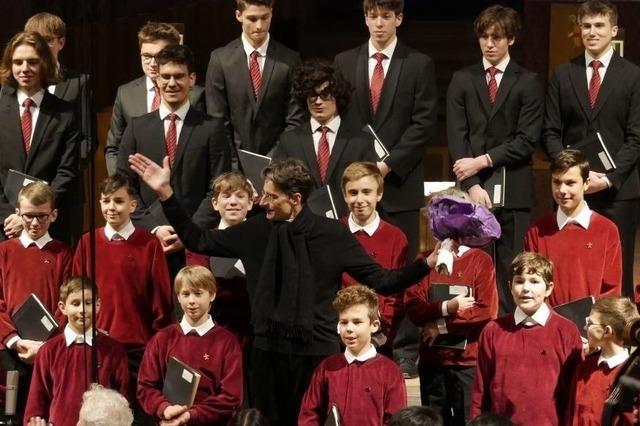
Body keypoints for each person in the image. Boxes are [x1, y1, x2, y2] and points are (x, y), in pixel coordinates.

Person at [128, 154, 435, 426]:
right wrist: (166, 193)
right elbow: (198, 240)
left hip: (317, 356)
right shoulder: (258, 230)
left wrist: (427, 263)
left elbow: (383, 281)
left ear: (296, 198)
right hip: (266, 356)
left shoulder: (332, 235)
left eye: (272, 197)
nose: (263, 202)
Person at [334, 0, 438, 378]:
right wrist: (363, 172)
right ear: (364, 17)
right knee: (354, 267)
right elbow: (341, 120)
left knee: (404, 270)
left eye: (386, 16)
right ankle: (353, 339)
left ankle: (404, 348)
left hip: (399, 182)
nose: (379, 23)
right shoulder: (345, 61)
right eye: (372, 16)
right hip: (359, 183)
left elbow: (424, 123)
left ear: (399, 18)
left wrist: (386, 165)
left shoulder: (418, 63)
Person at [446, 5, 543, 314]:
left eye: (497, 37)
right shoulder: (462, 79)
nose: (489, 43)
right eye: (484, 37)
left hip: (513, 189)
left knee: (510, 268)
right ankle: (476, 335)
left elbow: (527, 141)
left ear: (511, 39)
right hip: (472, 191)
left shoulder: (528, 81)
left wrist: (482, 160)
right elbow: (456, 137)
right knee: (474, 267)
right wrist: (472, 182)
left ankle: (509, 331)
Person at [544, 0, 640, 299]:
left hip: (618, 191)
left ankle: (617, 341)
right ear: (579, 30)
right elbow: (550, 132)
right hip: (572, 190)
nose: (592, 32)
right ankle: (570, 336)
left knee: (615, 272)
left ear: (613, 30)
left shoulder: (634, 75)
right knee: (568, 267)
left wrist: (608, 177)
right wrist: (571, 177)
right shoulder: (563, 74)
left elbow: (636, 137)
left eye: (599, 26)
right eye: (586, 26)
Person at [116, 43, 231, 279]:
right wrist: (153, 227)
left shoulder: (212, 128)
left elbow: (219, 188)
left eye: (179, 77)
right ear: (156, 79)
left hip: (195, 245)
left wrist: (187, 232)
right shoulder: (137, 128)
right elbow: (124, 186)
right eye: (165, 76)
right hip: (147, 241)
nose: (171, 83)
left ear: (192, 79)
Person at [72, 175, 172, 402]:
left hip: (139, 350)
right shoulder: (87, 242)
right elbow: (77, 295)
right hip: (96, 347)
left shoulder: (149, 244)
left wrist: (156, 346)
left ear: (132, 205)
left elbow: (161, 300)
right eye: (106, 201)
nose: (111, 207)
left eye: (118, 201)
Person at [404, 189, 498, 426]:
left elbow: (486, 311)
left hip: (467, 363)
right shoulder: (424, 261)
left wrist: (441, 327)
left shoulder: (481, 261)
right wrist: (447, 307)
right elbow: (414, 307)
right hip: (432, 361)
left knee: (470, 420)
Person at [470, 252, 583, 425]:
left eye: (535, 282)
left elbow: (574, 392)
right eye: (519, 281)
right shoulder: (493, 331)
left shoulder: (567, 331)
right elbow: (481, 389)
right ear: (510, 286)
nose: (525, 289)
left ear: (549, 288)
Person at [0, 31, 80, 246]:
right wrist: (11, 216)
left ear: (44, 64)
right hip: (4, 226)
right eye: (18, 62)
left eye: (32, 61)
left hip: (49, 227)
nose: (24, 68)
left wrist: (32, 215)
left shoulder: (66, 113)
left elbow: (67, 171)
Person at [0, 182, 72, 418]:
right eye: (28, 216)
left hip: (49, 351)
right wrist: (14, 340)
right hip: (9, 352)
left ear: (54, 215)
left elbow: (67, 303)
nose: (34, 223)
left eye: (41, 216)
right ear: (18, 213)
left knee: (43, 415)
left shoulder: (63, 253)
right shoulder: (4, 251)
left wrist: (44, 346)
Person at [137, 266, 243, 425]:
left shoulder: (227, 342)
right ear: (178, 297)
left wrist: (190, 416)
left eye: (198, 294)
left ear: (212, 295)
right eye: (185, 294)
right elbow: (145, 387)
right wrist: (165, 409)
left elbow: (231, 397)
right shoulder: (162, 339)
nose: (191, 301)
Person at [273, 60, 375, 217]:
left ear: (338, 96)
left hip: (346, 227)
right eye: (312, 95)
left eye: (325, 95)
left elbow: (369, 188)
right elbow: (280, 187)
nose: (318, 101)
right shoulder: (289, 140)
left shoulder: (362, 141)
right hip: (301, 227)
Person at [24, 277, 130, 426]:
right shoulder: (48, 351)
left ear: (98, 305)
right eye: (75, 304)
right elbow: (36, 404)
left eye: (88, 303)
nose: (82, 310)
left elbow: (124, 401)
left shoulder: (114, 351)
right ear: (63, 307)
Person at [205, 0, 303, 158]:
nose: (259, 26)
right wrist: (234, 164)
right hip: (233, 161)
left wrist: (273, 160)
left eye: (265, 17)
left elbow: (295, 119)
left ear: (272, 13)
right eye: (252, 19)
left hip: (278, 162)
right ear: (239, 15)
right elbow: (217, 119)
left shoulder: (290, 60)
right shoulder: (220, 59)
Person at [105, 21, 205, 175]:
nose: (152, 63)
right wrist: (121, 186)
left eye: (158, 56)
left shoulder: (196, 95)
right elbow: (114, 148)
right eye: (146, 56)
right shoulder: (126, 94)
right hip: (137, 187)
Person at [524, 149, 621, 306]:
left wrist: (596, 323)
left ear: (586, 184)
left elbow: (612, 289)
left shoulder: (607, 229)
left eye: (570, 183)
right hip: (549, 325)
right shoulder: (537, 231)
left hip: (592, 325)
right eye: (556, 182)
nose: (562, 190)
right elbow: (532, 285)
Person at [299, 285, 406, 425]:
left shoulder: (390, 371)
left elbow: (396, 421)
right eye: (343, 322)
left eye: (357, 322)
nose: (349, 329)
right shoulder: (327, 367)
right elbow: (309, 414)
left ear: (374, 325)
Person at [339, 161, 407, 355]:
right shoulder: (335, 231)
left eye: (366, 192)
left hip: (379, 336)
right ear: (344, 195)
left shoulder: (396, 236)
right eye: (353, 193)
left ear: (379, 194)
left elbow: (397, 294)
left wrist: (382, 333)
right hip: (340, 334)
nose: (360, 199)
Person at [186, 171, 253, 347]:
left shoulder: (265, 239)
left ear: (251, 203)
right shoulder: (200, 243)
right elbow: (199, 287)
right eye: (226, 196)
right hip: (214, 336)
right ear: (215, 203)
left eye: (240, 196)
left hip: (256, 337)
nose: (233, 202)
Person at [24, 12, 96, 165]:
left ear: (61, 43)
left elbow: (88, 140)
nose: (41, 47)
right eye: (35, 41)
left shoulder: (79, 83)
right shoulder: (13, 85)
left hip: (62, 181)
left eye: (48, 40)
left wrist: (64, 173)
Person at [566, 296, 639, 425]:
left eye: (590, 323)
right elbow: (570, 414)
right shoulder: (584, 367)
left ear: (607, 331)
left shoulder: (630, 376)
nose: (584, 327)